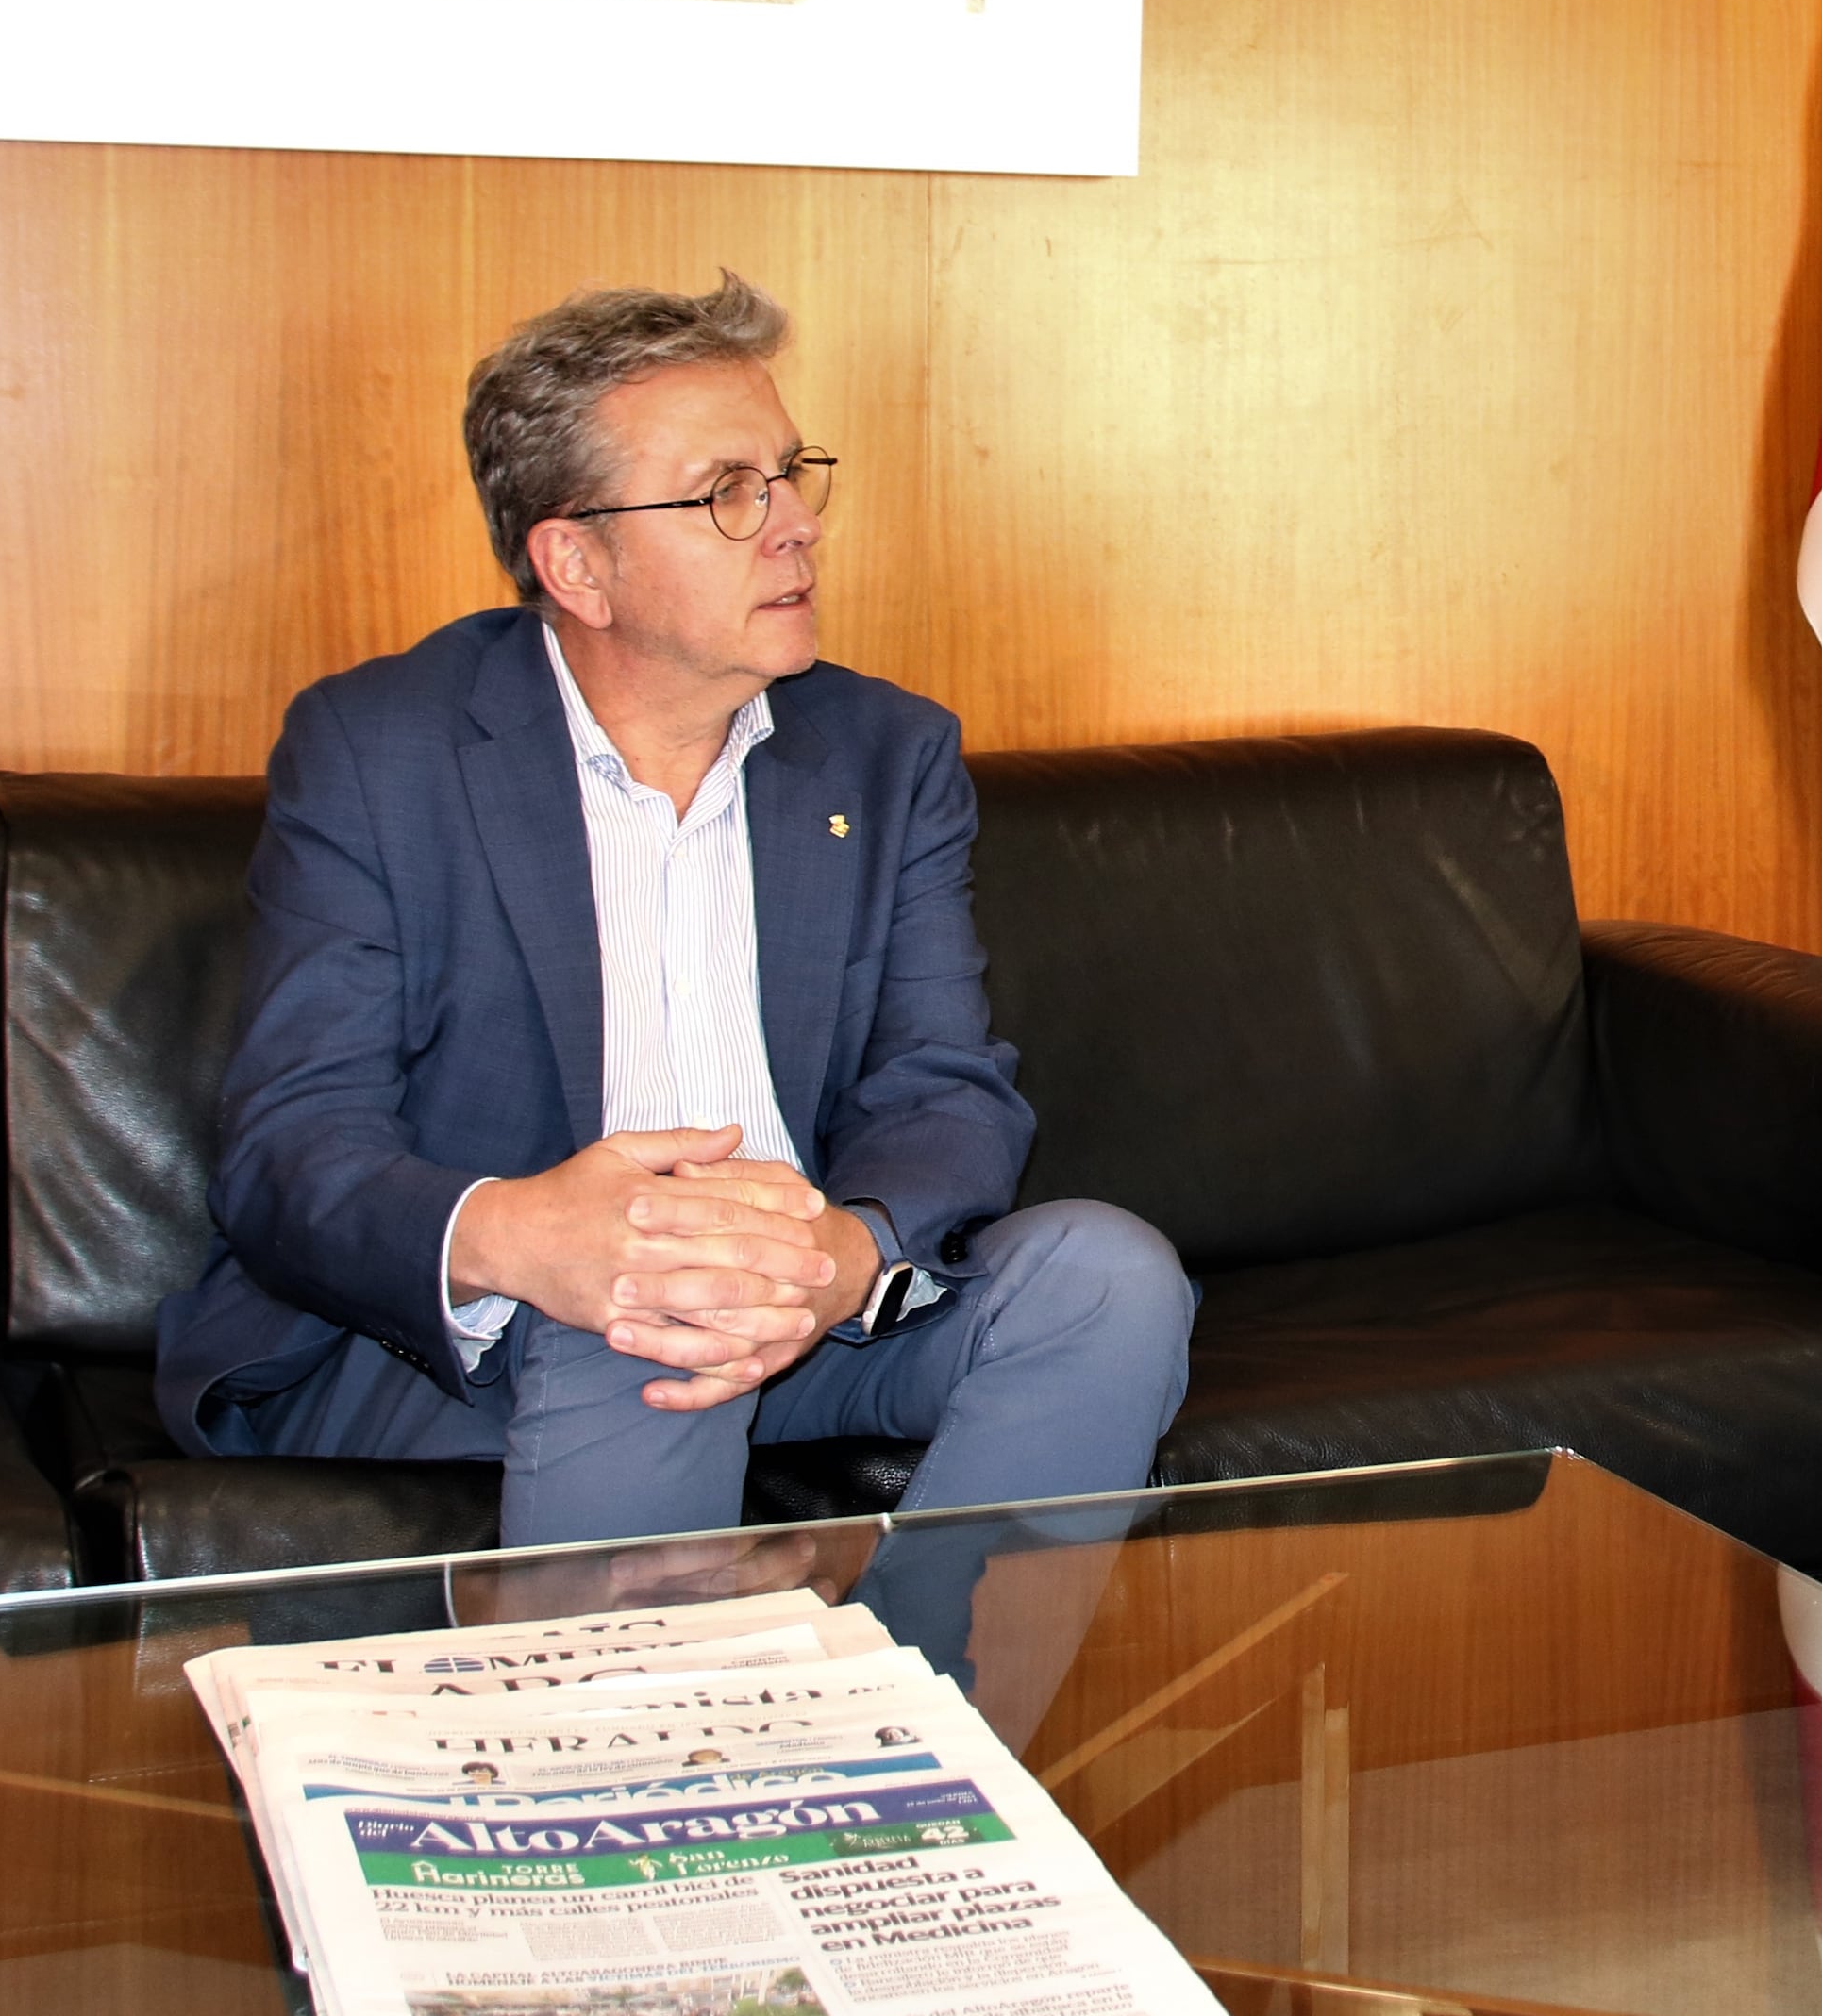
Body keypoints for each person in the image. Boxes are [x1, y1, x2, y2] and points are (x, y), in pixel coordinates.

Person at [154, 273, 1190, 1556]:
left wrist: (843, 1252)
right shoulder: (383, 750)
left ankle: (938, 1724)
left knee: (1105, 1279)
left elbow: (945, 1089)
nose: (796, 528)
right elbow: (291, 1149)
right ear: (578, 562)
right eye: (728, 494)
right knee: (654, 1300)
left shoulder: (884, 752)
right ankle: (635, 1759)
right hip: (463, 1346)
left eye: (792, 474)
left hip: (800, 1319)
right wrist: (529, 1237)